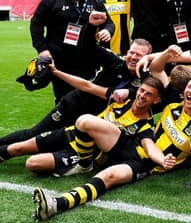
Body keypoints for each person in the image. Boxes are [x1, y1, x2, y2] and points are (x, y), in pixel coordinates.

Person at [32, 74, 191, 221]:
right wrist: (129, 91)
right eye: (189, 86)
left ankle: (56, 204)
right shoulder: (173, 105)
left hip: (145, 163)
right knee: (84, 121)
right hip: (132, 142)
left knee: (108, 177)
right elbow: (154, 76)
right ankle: (84, 163)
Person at [0, 39, 151, 154]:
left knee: (56, 145)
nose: (133, 57)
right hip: (73, 105)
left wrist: (130, 92)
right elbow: (87, 81)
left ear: (147, 58)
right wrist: (92, 26)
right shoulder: (115, 62)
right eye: (132, 52)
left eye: (139, 55)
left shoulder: (147, 80)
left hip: (90, 119)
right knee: (35, 134)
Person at [2, 77, 162, 176]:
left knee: (32, 164)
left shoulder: (145, 126)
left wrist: (163, 161)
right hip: (70, 134)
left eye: (148, 94)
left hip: (83, 152)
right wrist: (55, 71)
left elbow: (149, 147)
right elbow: (88, 86)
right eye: (141, 91)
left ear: (156, 100)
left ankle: (84, 166)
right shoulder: (119, 98)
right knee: (17, 148)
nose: (142, 96)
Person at [30, 0, 114, 102]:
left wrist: (107, 30)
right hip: (61, 61)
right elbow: (36, 24)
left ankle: (84, 123)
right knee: (64, 100)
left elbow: (109, 22)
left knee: (87, 99)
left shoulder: (95, 1)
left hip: (87, 61)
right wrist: (42, 50)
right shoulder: (52, 0)